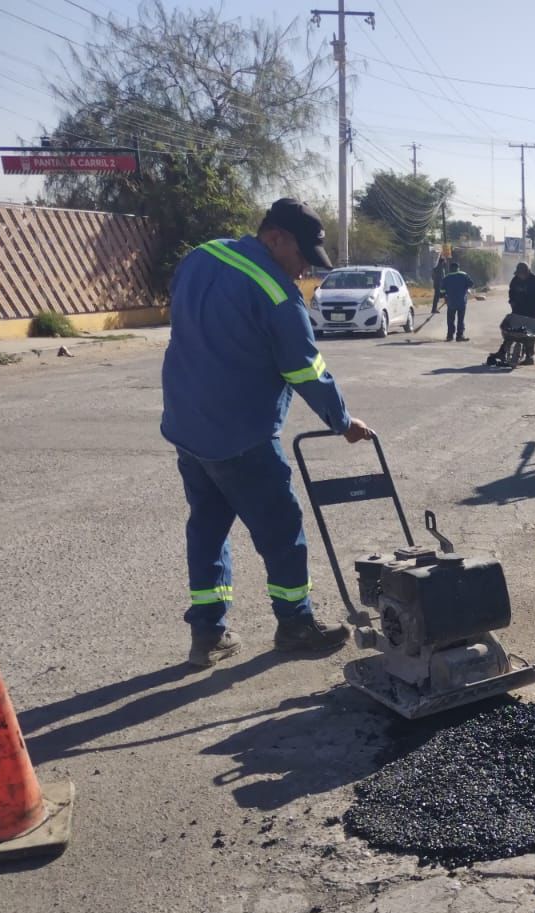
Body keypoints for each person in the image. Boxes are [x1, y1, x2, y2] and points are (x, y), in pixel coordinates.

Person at [161, 197, 373, 669]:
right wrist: (342, 422)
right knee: (281, 531)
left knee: (208, 527)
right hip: (241, 436)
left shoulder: (202, 256)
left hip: (187, 427)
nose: (303, 272)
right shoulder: (277, 295)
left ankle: (207, 633)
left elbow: (183, 311)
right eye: (301, 259)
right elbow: (305, 370)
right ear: (275, 237)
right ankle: (296, 624)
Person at [488, 262, 535, 367]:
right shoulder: (515, 280)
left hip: (532, 311)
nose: (520, 276)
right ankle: (502, 352)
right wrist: (512, 301)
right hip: (518, 310)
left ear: (527, 272)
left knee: (529, 336)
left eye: (522, 274)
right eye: (519, 274)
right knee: (511, 332)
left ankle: (529, 357)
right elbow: (511, 292)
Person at [440, 260, 474, 342]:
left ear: (450, 269)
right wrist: (465, 288)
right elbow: (471, 284)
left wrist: (445, 296)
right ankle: (459, 336)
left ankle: (450, 336)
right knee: (460, 319)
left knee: (450, 320)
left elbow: (441, 291)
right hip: (461, 302)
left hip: (451, 302)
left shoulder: (446, 277)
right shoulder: (463, 275)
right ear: (458, 268)